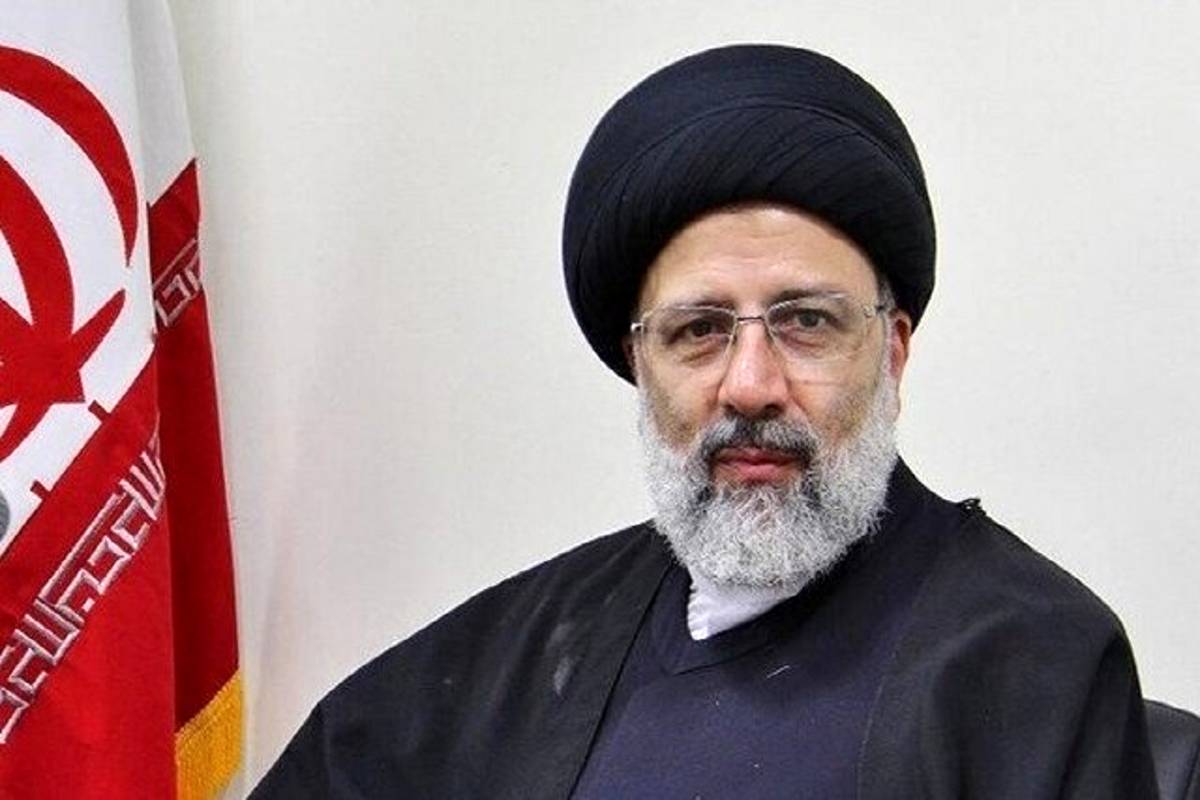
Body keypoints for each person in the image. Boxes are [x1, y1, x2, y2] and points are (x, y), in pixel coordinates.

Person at [251, 44, 1157, 799]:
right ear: (640, 365)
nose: (750, 385)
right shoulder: (522, 656)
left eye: (807, 322)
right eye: (698, 331)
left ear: (892, 351)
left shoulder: (1032, 661)